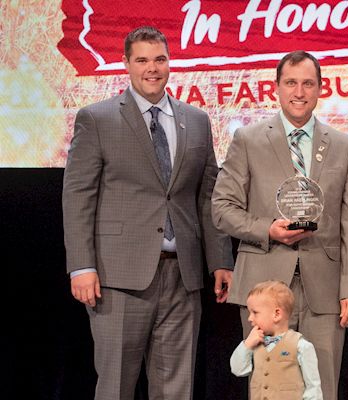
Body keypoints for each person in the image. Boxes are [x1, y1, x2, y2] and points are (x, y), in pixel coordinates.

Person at [62, 26, 233, 399]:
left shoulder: (197, 120)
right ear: (126, 64)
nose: (151, 69)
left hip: (183, 276)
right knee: (116, 387)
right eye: (141, 60)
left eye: (159, 59)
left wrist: (221, 259)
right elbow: (78, 196)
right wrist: (81, 265)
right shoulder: (97, 118)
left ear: (169, 63)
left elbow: (208, 196)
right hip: (117, 277)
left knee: (176, 388)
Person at [211, 50, 348, 400]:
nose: (299, 92)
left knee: (322, 387)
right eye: (291, 83)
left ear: (320, 88)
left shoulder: (345, 147)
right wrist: (268, 228)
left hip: (326, 290)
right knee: (269, 386)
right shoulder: (248, 140)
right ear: (277, 88)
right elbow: (222, 208)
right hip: (264, 286)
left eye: (308, 83)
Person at [231, 281, 322, 400]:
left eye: (255, 313)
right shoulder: (254, 344)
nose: (249, 318)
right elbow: (238, 370)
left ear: (277, 314)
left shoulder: (301, 345)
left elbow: (313, 387)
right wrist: (247, 344)